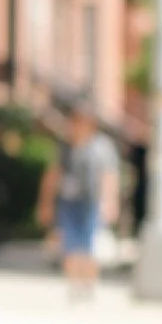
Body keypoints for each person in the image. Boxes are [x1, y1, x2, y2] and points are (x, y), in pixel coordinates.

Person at [37, 99, 120, 293]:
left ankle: (88, 282)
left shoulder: (101, 147)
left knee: (89, 243)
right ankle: (74, 283)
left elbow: (109, 176)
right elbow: (53, 175)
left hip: (91, 201)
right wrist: (45, 203)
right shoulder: (65, 146)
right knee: (70, 243)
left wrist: (109, 201)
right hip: (68, 201)